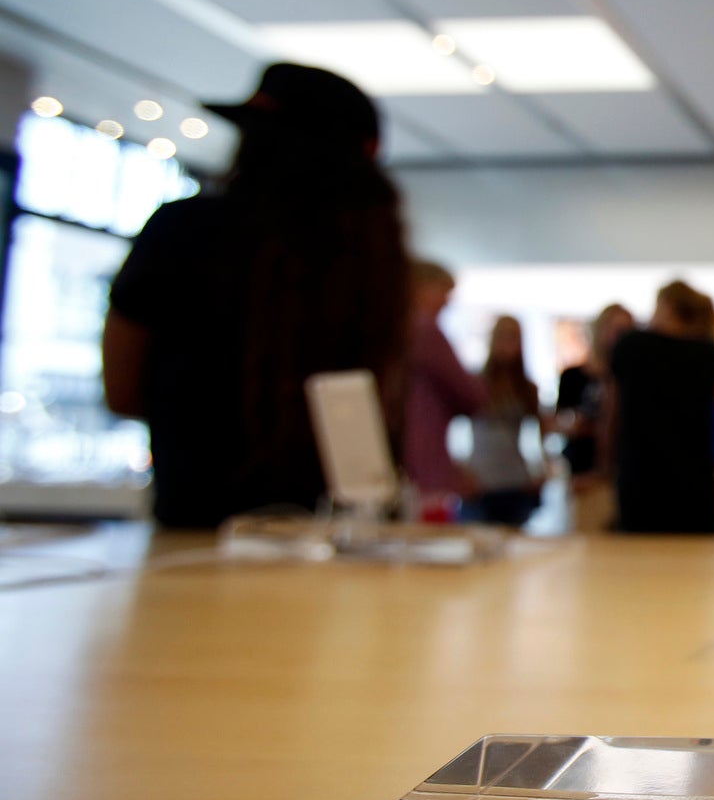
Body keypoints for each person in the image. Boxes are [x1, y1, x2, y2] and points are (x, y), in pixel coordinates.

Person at [102, 62, 409, 528]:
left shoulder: (182, 231)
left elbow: (122, 390)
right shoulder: (369, 259)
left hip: (193, 522)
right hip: (334, 532)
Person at [606, 280, 714, 534]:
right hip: (694, 481)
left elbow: (611, 415)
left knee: (639, 565)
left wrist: (604, 465)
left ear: (668, 307)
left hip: (640, 478)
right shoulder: (708, 354)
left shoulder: (631, 347)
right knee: (697, 566)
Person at [405, 260, 486, 512]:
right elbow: (472, 396)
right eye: (443, 292)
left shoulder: (397, 331)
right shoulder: (425, 330)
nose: (446, 302)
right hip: (425, 464)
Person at [465, 315, 542, 527]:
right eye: (504, 336)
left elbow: (541, 432)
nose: (509, 343)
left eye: (514, 337)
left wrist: (541, 470)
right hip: (481, 481)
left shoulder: (527, 388)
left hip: (515, 481)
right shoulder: (475, 383)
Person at [555, 303, 634, 480]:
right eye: (615, 330)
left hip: (623, 471)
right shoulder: (573, 376)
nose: (618, 338)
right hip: (582, 470)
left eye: (625, 331)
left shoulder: (633, 381)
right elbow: (559, 420)